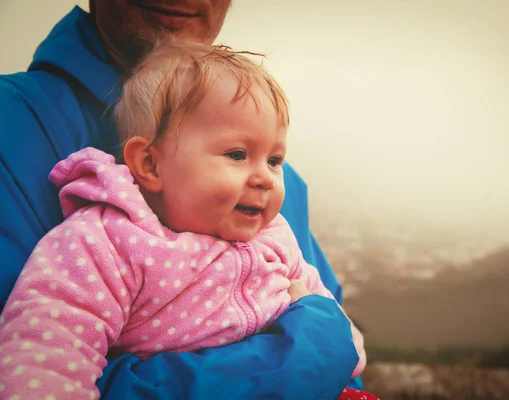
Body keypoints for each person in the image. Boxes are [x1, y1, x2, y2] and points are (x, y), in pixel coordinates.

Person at [0, 1, 364, 398]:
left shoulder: (274, 216)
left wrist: (337, 338)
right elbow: (45, 353)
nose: (263, 176)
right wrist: (309, 354)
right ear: (149, 164)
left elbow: (335, 331)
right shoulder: (107, 243)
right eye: (237, 154)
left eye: (275, 159)